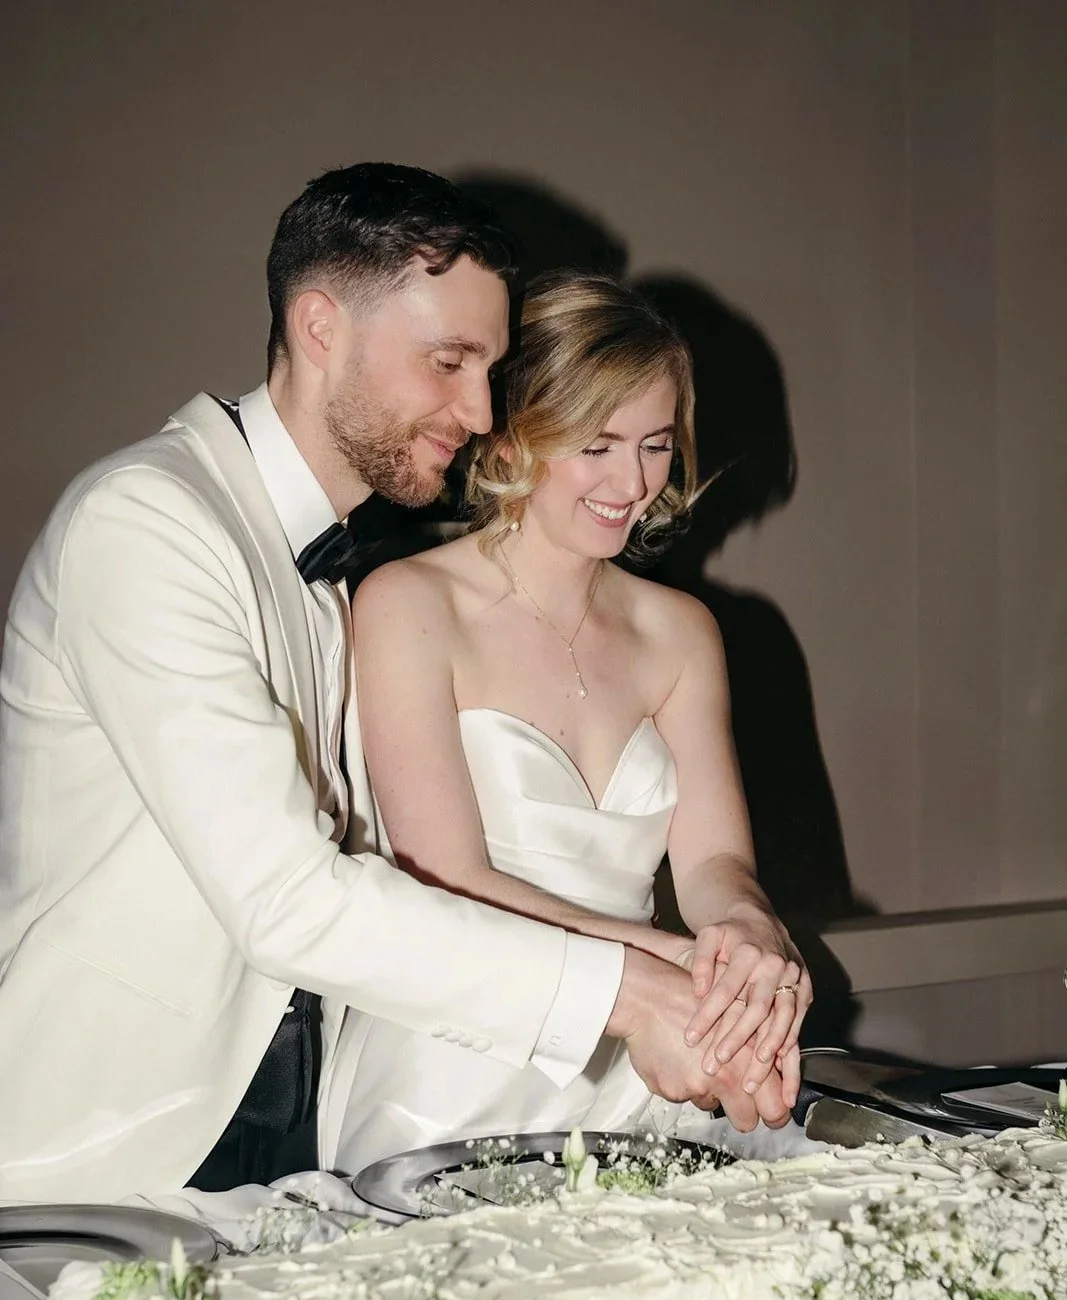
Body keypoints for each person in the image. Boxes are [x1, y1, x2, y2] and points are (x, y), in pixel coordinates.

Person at [0, 166, 796, 1205]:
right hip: (121, 1143)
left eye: (491, 368)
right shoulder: (147, 523)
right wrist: (647, 991)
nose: (478, 410)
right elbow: (289, 897)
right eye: (449, 362)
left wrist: (732, 954)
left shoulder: (339, 574)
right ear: (320, 326)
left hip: (290, 1134)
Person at [333, 272, 812, 1174]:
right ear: (515, 435)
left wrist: (746, 931)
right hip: (457, 1065)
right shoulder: (409, 605)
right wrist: (682, 971)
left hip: (648, 1067)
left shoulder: (679, 632)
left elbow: (712, 861)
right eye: (597, 444)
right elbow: (448, 877)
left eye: (656, 446)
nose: (630, 483)